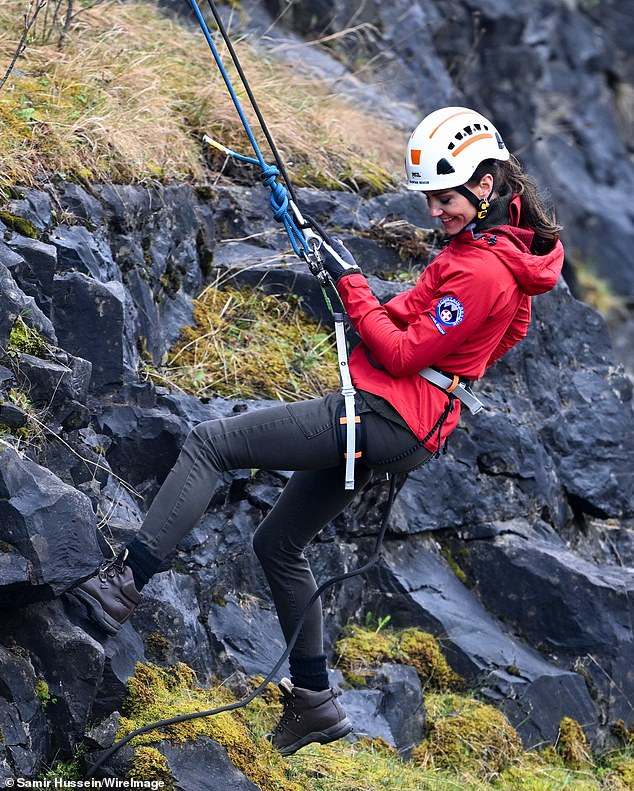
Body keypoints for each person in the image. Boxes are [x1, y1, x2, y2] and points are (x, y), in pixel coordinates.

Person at [71, 106, 563, 756]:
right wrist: (371, 296)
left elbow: (401, 352)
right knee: (279, 541)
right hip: (408, 420)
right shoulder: (496, 253)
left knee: (212, 444)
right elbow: (496, 327)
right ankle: (316, 700)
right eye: (431, 199)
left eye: (444, 197)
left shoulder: (482, 269)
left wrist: (354, 288)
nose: (435, 211)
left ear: (485, 183)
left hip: (390, 415)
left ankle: (121, 584)